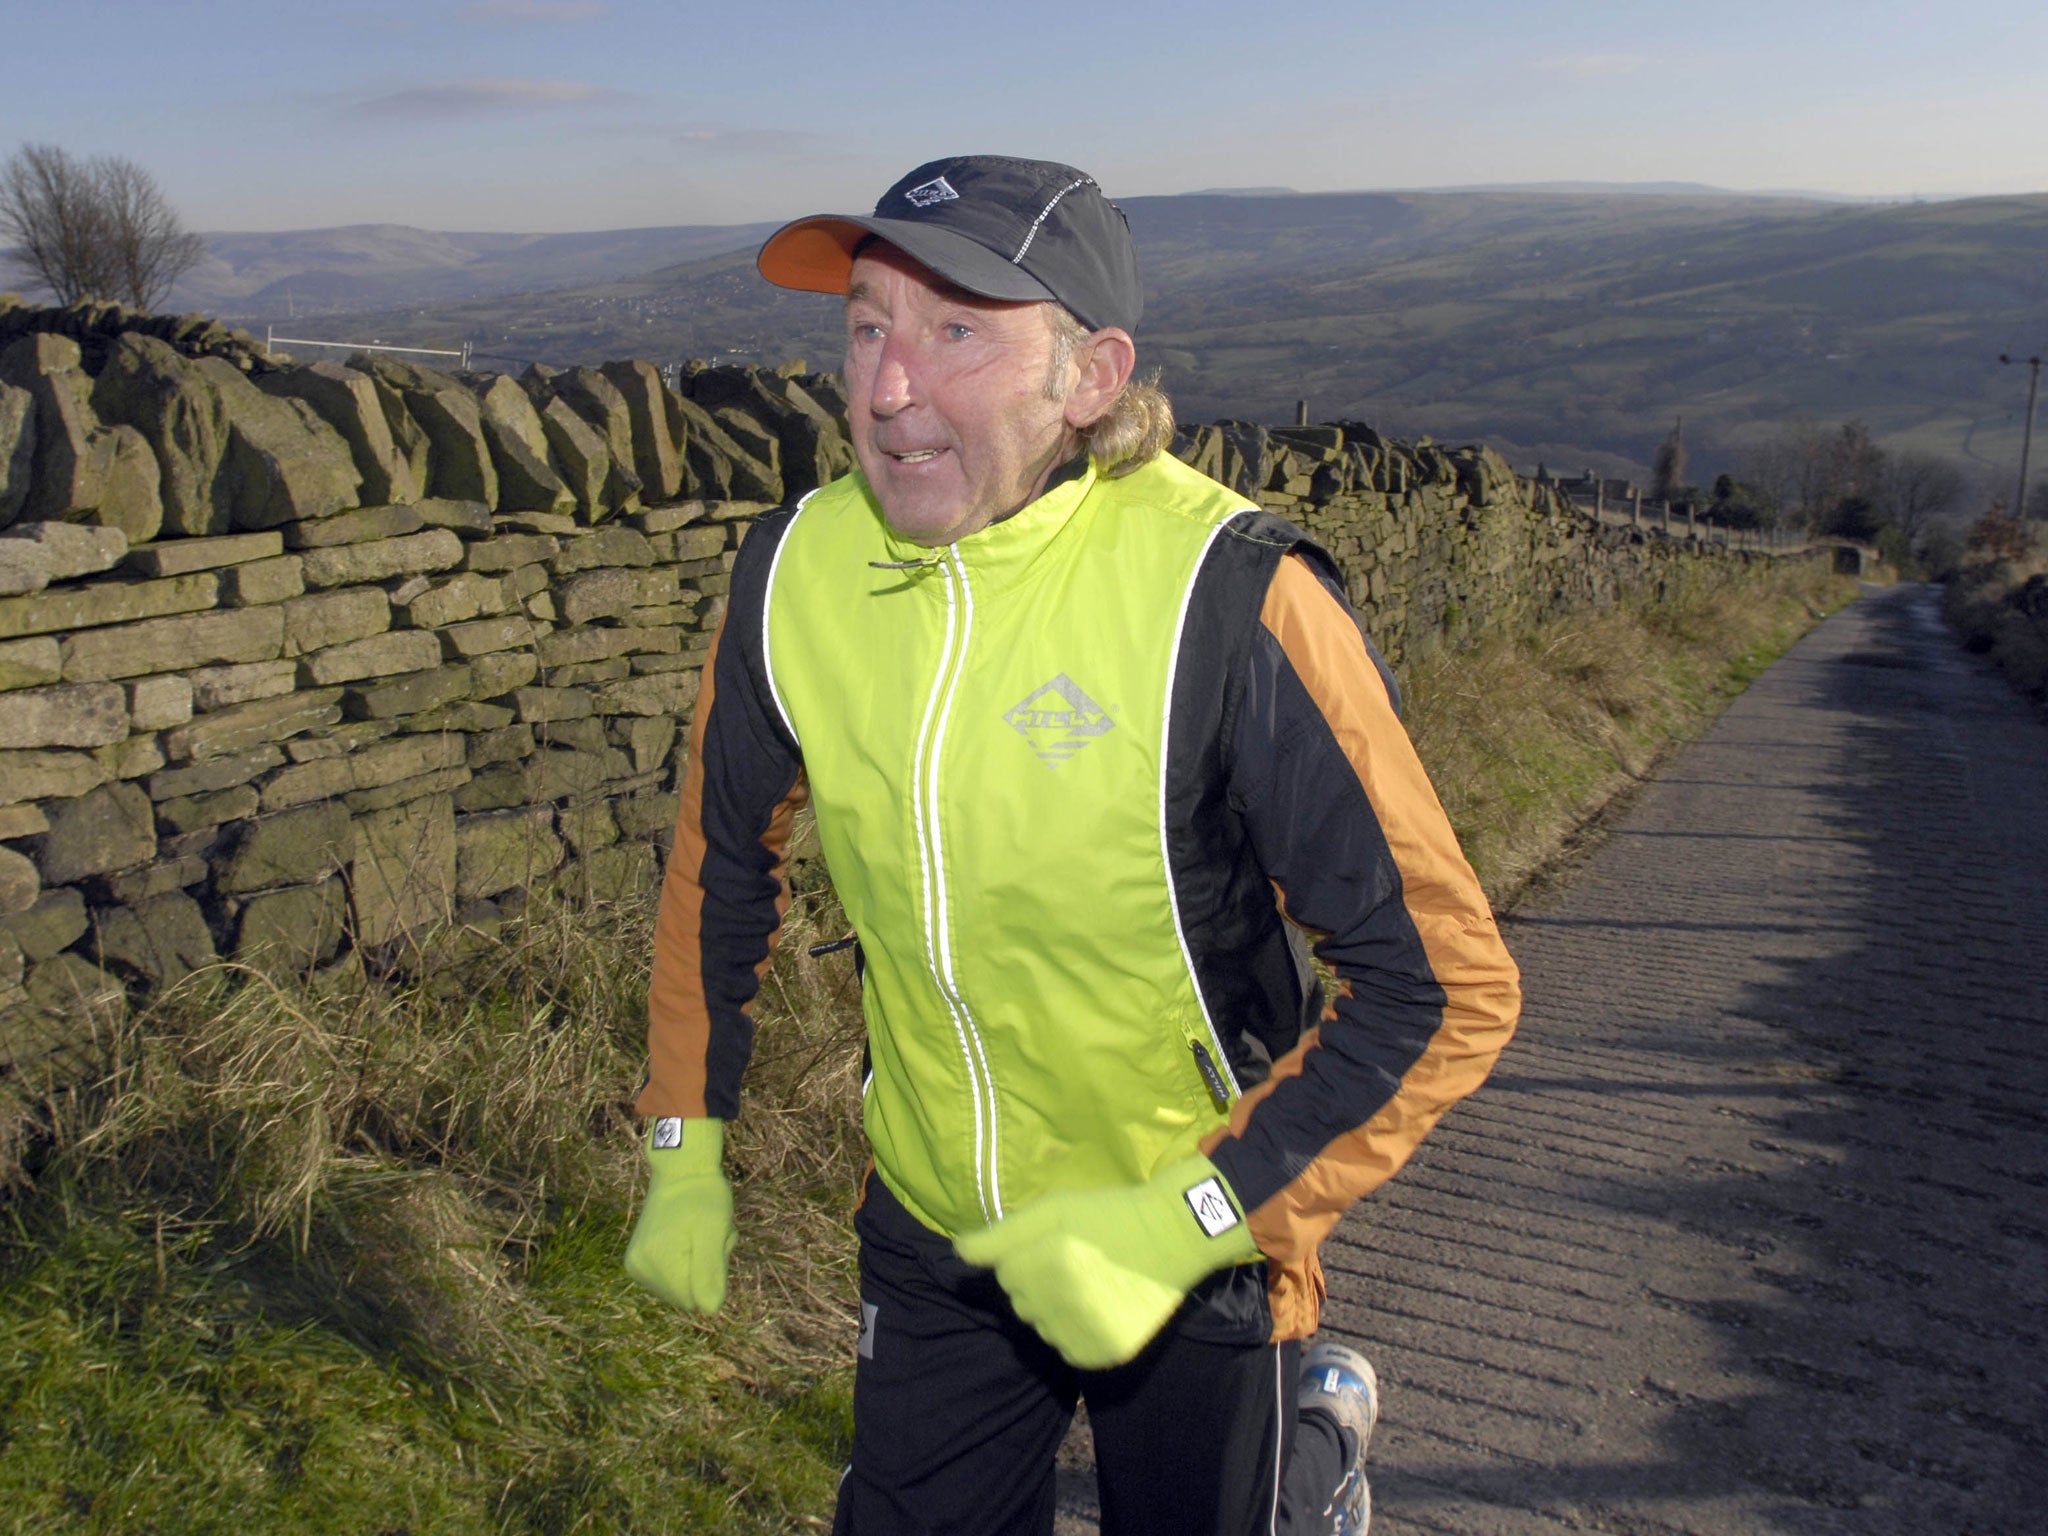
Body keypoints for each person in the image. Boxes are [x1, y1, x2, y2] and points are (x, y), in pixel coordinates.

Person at [625, 154, 1522, 1536]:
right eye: (867, 324)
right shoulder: (794, 570)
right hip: (936, 1235)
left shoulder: (1231, 598)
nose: (887, 387)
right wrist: (685, 1149)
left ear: (1092, 378)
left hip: (1199, 1244)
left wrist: (1186, 1222)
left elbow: (1445, 989)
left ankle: (1311, 1457)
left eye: (959, 332)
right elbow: (717, 872)